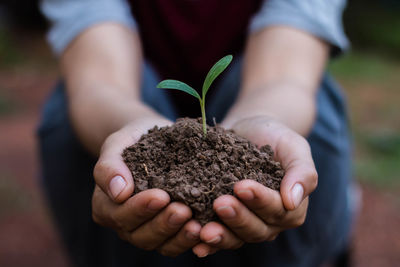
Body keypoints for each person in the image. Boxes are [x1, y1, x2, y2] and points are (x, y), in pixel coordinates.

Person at [38, 0, 353, 266]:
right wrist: (129, 127)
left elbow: (287, 73)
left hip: (249, 89)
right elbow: (97, 79)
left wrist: (267, 119)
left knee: (317, 113)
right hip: (136, 93)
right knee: (64, 117)